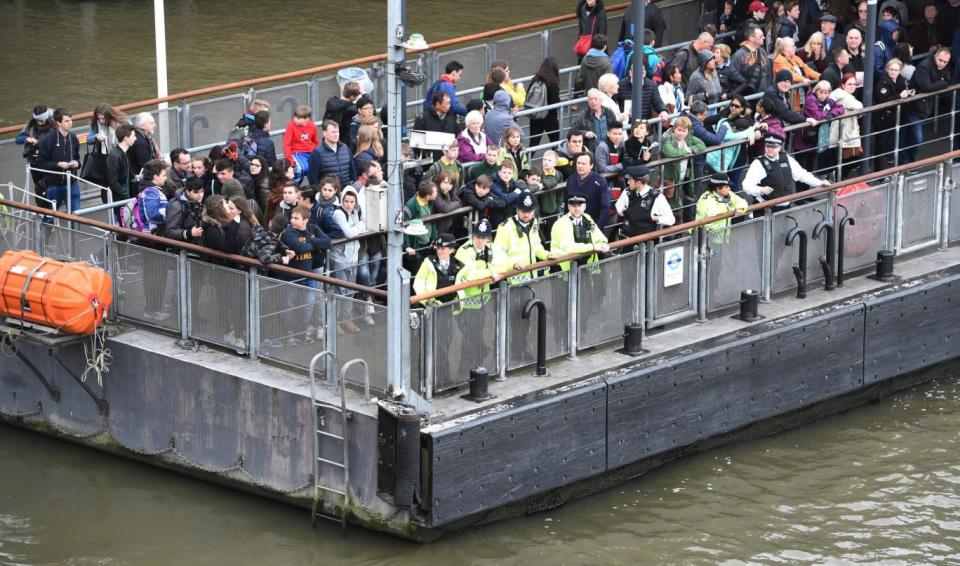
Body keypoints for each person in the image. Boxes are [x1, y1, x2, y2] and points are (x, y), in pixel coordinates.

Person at [743, 135, 829, 209]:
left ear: (780, 147)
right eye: (767, 146)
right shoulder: (758, 163)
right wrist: (760, 190)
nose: (770, 149)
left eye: (773, 147)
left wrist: (819, 183)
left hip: (786, 205)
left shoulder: (786, 158)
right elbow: (747, 185)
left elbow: (802, 175)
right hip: (766, 208)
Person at [492, 191, 555, 284]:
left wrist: (546, 254)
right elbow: (498, 255)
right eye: (523, 211)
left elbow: (536, 245)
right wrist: (512, 264)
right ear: (517, 210)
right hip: (513, 281)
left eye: (529, 211)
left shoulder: (534, 222)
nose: (526, 215)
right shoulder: (505, 227)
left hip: (532, 276)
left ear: (534, 211)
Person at [902, 48, 952, 165]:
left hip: (924, 107)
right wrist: (942, 82)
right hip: (914, 107)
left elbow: (947, 79)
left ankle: (907, 161)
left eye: (945, 62)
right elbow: (927, 87)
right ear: (935, 56)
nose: (942, 64)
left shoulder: (940, 67)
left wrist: (942, 82)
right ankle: (908, 162)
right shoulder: (924, 66)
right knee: (915, 138)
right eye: (940, 60)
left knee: (911, 136)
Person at [329, 187, 367, 334]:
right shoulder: (339, 213)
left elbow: (358, 230)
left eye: (352, 201)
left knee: (350, 291)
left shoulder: (355, 212)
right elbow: (350, 233)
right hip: (340, 257)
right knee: (340, 290)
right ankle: (336, 321)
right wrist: (360, 226)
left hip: (353, 257)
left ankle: (346, 320)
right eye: (346, 201)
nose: (349, 204)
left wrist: (358, 226)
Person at [36, 107, 81, 213]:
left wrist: (77, 164)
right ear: (58, 123)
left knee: (76, 216)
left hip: (72, 183)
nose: (70, 123)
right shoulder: (47, 140)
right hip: (54, 185)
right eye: (67, 121)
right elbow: (40, 164)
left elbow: (77, 158)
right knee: (50, 216)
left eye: (71, 120)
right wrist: (58, 164)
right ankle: (47, 228)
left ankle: (74, 229)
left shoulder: (73, 138)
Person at [660, 116, 706, 219]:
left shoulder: (688, 138)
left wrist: (692, 148)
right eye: (679, 130)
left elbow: (702, 145)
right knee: (670, 204)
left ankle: (676, 231)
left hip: (682, 177)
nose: (681, 133)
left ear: (688, 131)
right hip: (669, 179)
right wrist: (688, 151)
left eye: (684, 131)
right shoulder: (667, 139)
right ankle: (671, 231)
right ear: (674, 129)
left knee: (677, 203)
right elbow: (670, 152)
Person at [795, 80, 844, 174]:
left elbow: (841, 108)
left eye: (826, 93)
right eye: (821, 92)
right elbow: (818, 116)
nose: (823, 95)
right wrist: (827, 114)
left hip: (815, 139)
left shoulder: (828, 101)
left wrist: (832, 113)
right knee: (801, 171)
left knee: (810, 169)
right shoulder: (810, 100)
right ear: (816, 91)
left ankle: (809, 188)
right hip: (804, 139)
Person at [550, 194, 609, 271]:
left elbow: (598, 235)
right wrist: (593, 247)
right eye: (573, 206)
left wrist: (604, 243)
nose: (577, 208)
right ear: (568, 207)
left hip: (586, 267)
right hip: (565, 270)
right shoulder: (562, 223)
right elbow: (569, 248)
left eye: (579, 205)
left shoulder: (586, 218)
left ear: (584, 206)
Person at [615, 165, 675, 240]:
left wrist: (654, 218)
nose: (628, 182)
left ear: (638, 183)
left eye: (630, 180)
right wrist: (623, 211)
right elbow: (618, 206)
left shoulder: (657, 197)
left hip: (647, 242)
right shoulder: (627, 192)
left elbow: (671, 219)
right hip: (628, 240)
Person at [873, 58, 911, 170]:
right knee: (881, 146)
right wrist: (900, 96)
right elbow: (884, 100)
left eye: (895, 70)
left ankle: (893, 167)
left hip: (898, 117)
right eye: (891, 69)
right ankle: (879, 172)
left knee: (894, 143)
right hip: (884, 119)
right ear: (887, 69)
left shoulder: (901, 80)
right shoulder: (882, 82)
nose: (893, 72)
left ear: (900, 71)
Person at [454, 218, 500, 307]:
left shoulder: (491, 247)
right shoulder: (463, 251)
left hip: (485, 301)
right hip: (466, 303)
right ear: (473, 235)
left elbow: (502, 266)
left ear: (489, 238)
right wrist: (491, 273)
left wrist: (485, 276)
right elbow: (470, 276)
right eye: (478, 236)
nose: (480, 241)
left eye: (483, 238)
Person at [695, 173, 749, 245]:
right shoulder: (705, 199)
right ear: (718, 189)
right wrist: (733, 209)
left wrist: (741, 208)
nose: (729, 189)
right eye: (726, 187)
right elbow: (714, 213)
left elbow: (742, 202)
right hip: (707, 241)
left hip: (723, 239)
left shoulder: (727, 194)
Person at [413, 233, 464, 305]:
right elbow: (418, 282)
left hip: (453, 306)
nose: (439, 251)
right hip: (433, 306)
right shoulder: (428, 262)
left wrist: (458, 299)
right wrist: (427, 301)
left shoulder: (458, 265)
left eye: (443, 249)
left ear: (451, 250)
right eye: (438, 248)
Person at [565, 152, 612, 230]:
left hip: (592, 226)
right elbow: (566, 203)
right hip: (573, 225)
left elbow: (605, 208)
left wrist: (597, 228)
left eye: (583, 164)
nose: (580, 166)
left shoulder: (600, 181)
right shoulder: (571, 179)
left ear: (591, 165)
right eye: (578, 163)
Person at [772, 37, 820, 111]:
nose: (795, 47)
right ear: (786, 48)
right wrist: (803, 79)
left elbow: (808, 70)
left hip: (803, 93)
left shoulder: (796, 58)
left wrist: (822, 76)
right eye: (793, 46)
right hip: (790, 96)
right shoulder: (779, 60)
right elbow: (790, 74)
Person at [829, 73, 864, 175]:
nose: (853, 86)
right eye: (850, 84)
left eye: (854, 84)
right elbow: (859, 106)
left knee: (849, 160)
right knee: (846, 159)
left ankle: (838, 178)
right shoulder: (841, 95)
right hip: (842, 132)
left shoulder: (846, 95)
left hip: (848, 131)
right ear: (843, 85)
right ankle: (836, 178)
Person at [402, 181, 439, 274]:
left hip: (427, 244)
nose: (437, 193)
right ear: (427, 197)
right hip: (415, 246)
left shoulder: (430, 203)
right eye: (435, 192)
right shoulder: (410, 206)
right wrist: (407, 246)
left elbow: (432, 221)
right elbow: (404, 226)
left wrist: (434, 238)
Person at [307, 120, 355, 188]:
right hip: (328, 194)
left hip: (346, 191)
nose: (336, 135)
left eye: (337, 132)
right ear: (324, 133)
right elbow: (313, 178)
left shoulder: (345, 148)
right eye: (333, 132)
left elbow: (353, 171)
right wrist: (320, 192)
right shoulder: (317, 152)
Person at [728, 24, 773, 97]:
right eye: (761, 36)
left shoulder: (762, 51)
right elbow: (734, 79)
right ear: (751, 38)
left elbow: (768, 73)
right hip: (747, 97)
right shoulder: (738, 56)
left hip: (764, 95)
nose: (764, 38)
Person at [528, 57, 562, 146]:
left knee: (533, 144)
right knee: (555, 142)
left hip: (535, 115)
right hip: (549, 118)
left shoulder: (535, 79)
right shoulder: (553, 83)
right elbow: (555, 103)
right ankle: (555, 158)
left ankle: (526, 159)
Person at [282, 105, 319, 184]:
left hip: (310, 153)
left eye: (298, 118)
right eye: (295, 117)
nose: (295, 119)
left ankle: (314, 187)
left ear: (307, 119)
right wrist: (290, 160)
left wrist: (317, 153)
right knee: (300, 169)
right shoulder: (291, 125)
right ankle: (294, 187)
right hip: (297, 153)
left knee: (317, 168)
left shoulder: (313, 127)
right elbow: (286, 144)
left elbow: (315, 142)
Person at [165, 176, 205, 245]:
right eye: (196, 192)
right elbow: (169, 232)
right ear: (187, 191)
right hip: (183, 249)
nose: (200, 195)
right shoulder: (177, 206)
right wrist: (188, 233)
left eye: (201, 191)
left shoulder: (197, 202)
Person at [128, 112, 161, 190]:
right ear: (142, 125)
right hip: (141, 183)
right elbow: (146, 164)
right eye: (151, 123)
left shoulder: (142, 137)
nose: (155, 125)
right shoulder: (140, 142)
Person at [106, 125, 136, 207]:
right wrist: (125, 195)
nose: (135, 138)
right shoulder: (115, 156)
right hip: (119, 199)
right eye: (133, 136)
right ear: (125, 138)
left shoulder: (123, 153)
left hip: (123, 197)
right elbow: (113, 181)